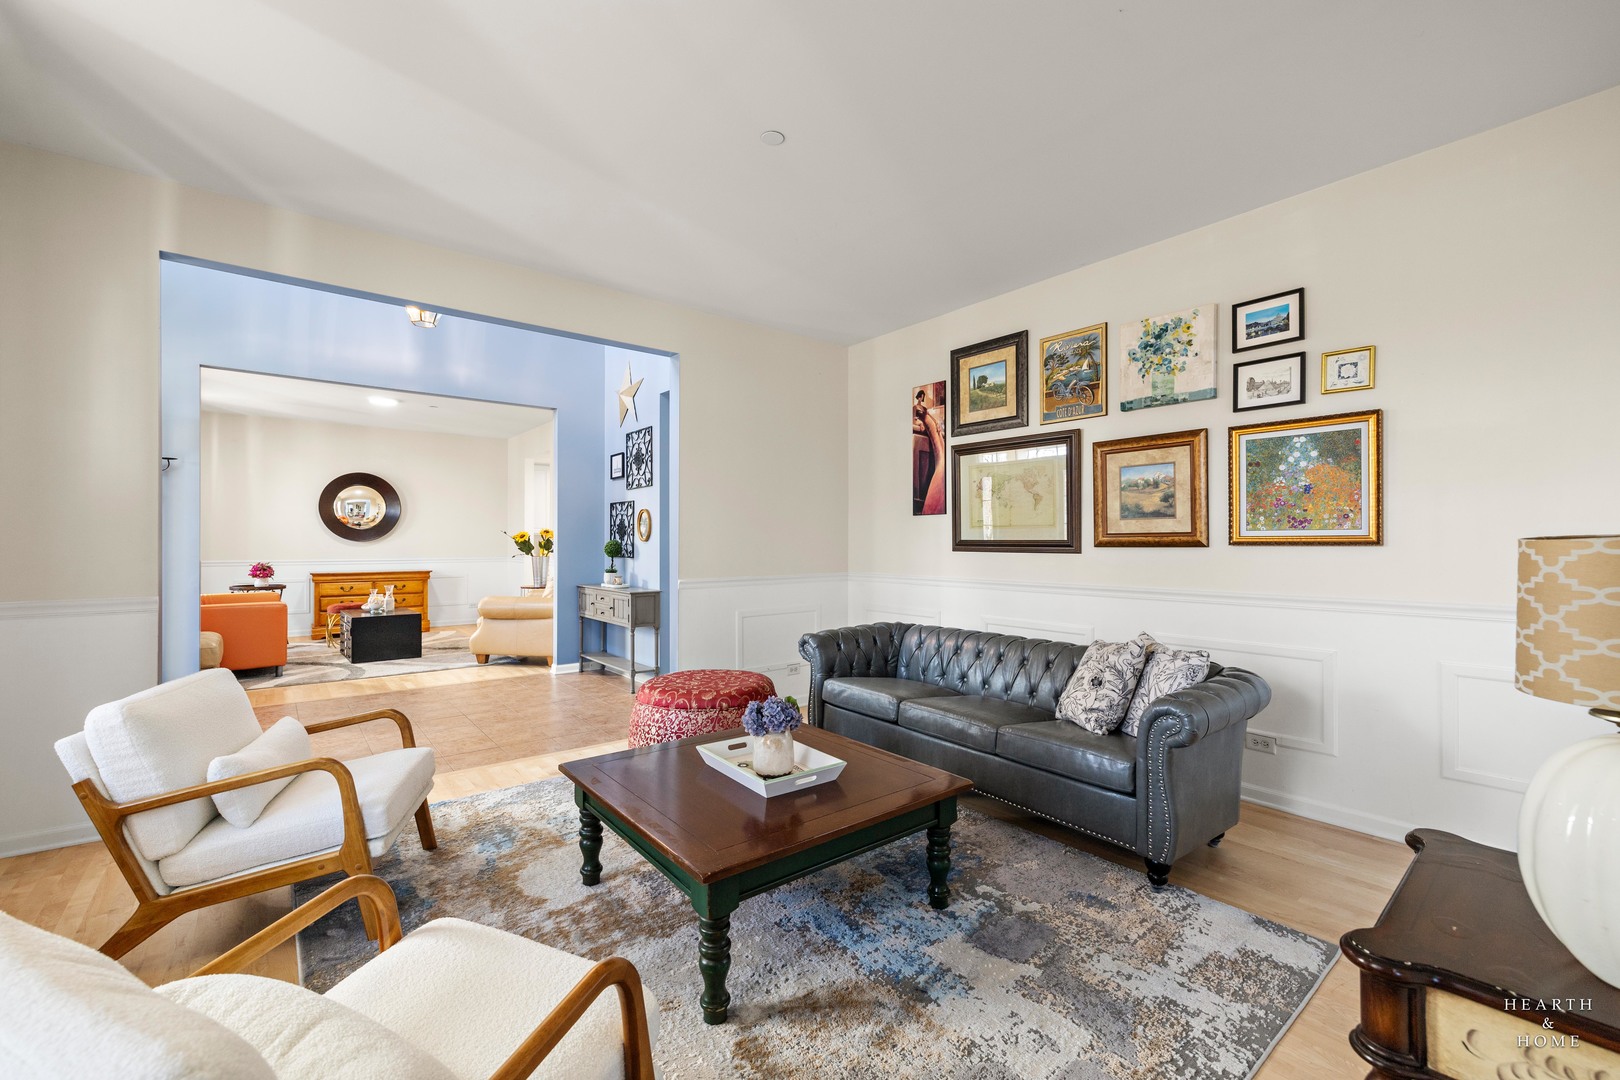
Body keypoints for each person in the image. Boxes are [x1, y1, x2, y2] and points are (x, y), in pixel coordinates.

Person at [913, 389, 946, 515]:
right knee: (940, 455)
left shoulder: (924, 408)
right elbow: (914, 419)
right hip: (926, 425)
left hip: (931, 425)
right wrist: (920, 423)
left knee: (940, 447)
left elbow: (930, 416)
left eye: (923, 397)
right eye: (921, 396)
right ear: (918, 397)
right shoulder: (915, 407)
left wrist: (937, 423)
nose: (922, 398)